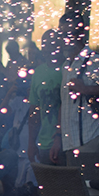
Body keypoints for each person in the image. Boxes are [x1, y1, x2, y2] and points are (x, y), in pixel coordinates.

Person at [50, 13, 99, 164]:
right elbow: (64, 104)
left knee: (86, 185)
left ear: (81, 34)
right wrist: (58, 137)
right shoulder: (66, 65)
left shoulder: (94, 60)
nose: (64, 38)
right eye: (62, 34)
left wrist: (86, 89)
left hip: (93, 137)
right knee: (77, 185)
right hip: (72, 141)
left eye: (69, 34)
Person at [27, 29, 64, 165]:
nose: (47, 48)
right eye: (45, 44)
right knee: (47, 184)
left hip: (68, 143)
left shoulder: (67, 69)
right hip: (45, 142)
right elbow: (34, 110)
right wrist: (31, 143)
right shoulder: (38, 72)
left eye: (52, 44)